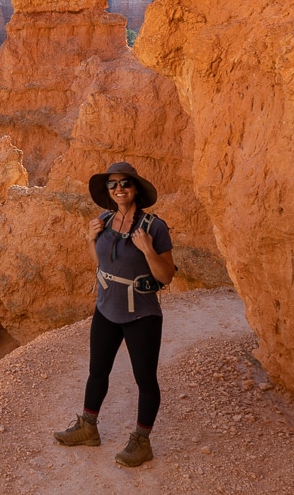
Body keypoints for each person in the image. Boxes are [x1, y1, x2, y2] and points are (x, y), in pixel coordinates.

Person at [53, 161, 176, 467]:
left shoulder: (154, 227)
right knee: (98, 371)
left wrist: (148, 250)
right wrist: (90, 239)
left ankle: (142, 441)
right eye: (113, 184)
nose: (119, 189)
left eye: (125, 183)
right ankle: (88, 427)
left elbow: (167, 276)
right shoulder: (104, 221)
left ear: (135, 189)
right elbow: (100, 263)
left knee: (145, 379)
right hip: (106, 308)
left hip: (142, 314)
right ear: (108, 191)